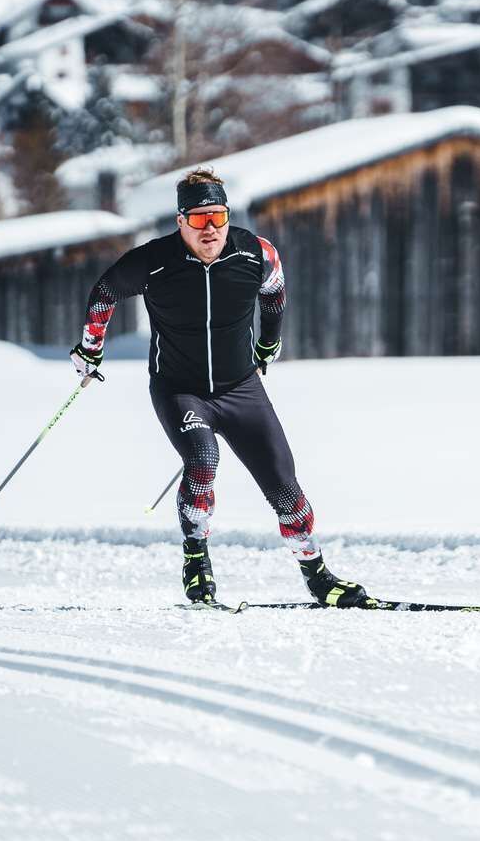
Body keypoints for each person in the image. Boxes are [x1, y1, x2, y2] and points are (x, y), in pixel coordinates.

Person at [69, 167, 368, 608]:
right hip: (180, 390)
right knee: (203, 461)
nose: (209, 228)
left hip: (241, 389)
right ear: (180, 221)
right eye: (198, 219)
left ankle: (318, 576)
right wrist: (90, 348)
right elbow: (104, 293)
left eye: (218, 217)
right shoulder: (154, 261)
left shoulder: (255, 252)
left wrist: (269, 343)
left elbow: (274, 292)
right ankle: (196, 558)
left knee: (286, 488)